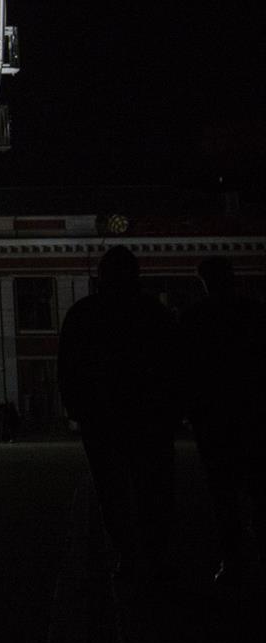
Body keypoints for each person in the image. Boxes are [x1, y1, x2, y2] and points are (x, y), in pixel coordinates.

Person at [57, 246, 176, 581]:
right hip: (149, 418)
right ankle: (155, 555)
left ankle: (127, 554)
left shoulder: (84, 313)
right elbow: (174, 365)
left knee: (112, 491)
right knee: (153, 487)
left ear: (101, 276)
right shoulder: (153, 312)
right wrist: (172, 410)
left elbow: (67, 367)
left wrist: (77, 408)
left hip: (101, 419)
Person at [181, 255, 261, 584]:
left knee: (223, 494)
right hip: (253, 414)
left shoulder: (195, 317)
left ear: (204, 281)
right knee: (258, 488)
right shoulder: (254, 313)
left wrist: (190, 411)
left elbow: (185, 370)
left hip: (213, 419)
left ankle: (233, 560)